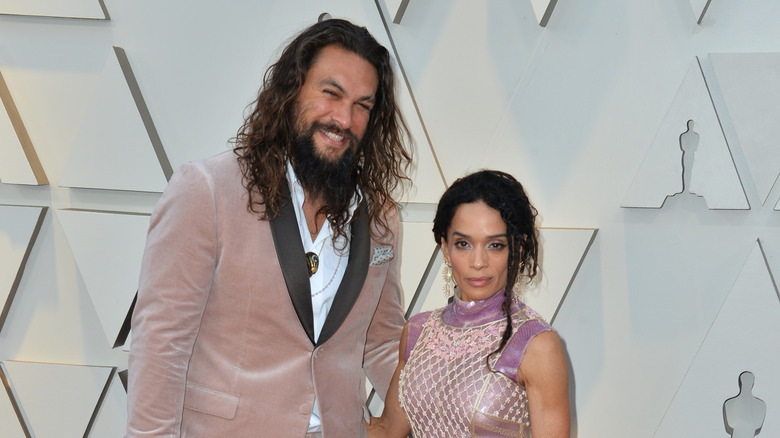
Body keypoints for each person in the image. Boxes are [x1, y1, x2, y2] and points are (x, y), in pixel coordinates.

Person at [126, 18, 412, 437]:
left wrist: (444, 412)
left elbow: (383, 341)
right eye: (330, 94)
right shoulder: (207, 191)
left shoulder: (381, 217)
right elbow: (161, 345)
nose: (344, 118)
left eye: (363, 106)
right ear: (292, 91)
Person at [368, 170, 570, 437]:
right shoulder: (417, 331)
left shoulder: (535, 344)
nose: (478, 262)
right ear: (445, 248)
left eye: (495, 245)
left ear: (517, 249)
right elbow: (388, 430)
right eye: (463, 243)